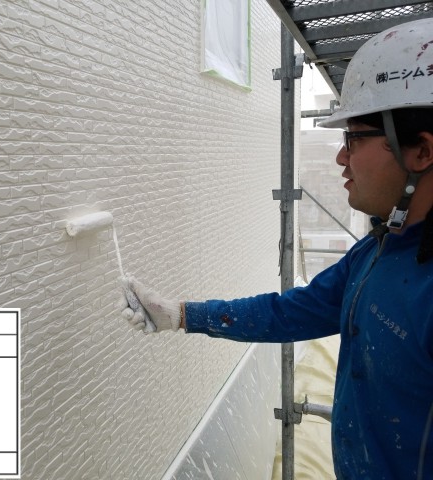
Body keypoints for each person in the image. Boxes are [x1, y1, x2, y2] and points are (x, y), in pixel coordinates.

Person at [120, 18, 433, 480]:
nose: (341, 157)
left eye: (354, 138)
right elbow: (290, 313)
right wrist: (182, 315)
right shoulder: (377, 251)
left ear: (421, 152)